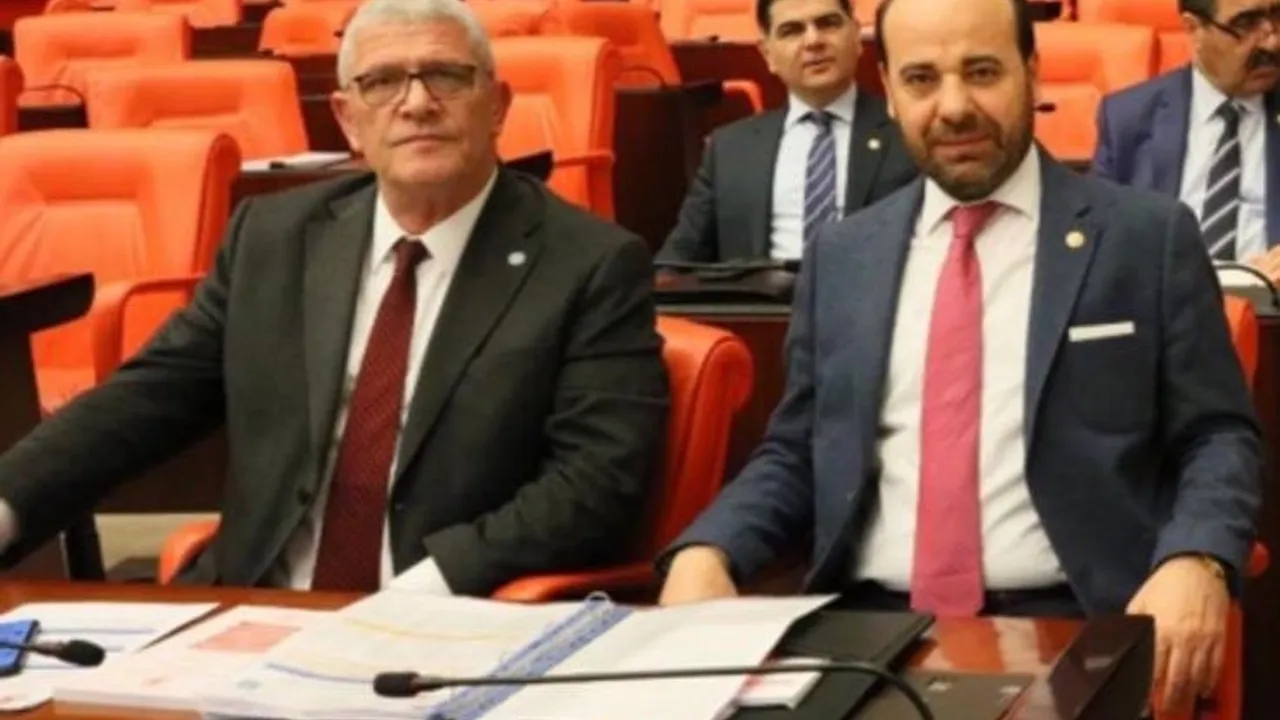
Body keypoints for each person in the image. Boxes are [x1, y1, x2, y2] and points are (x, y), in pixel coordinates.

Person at [657, 0, 1261, 714]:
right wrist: (709, 549)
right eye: (921, 79)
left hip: (1073, 620)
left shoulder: (1143, 238)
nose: (954, 107)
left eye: (982, 72)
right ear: (888, 88)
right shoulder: (845, 254)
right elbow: (798, 450)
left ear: (1032, 72)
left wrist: (1196, 557)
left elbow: (1217, 436)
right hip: (867, 628)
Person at [0, 0, 669, 597]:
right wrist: (8, 501)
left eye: (445, 75)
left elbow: (596, 481)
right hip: (255, 602)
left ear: (496, 105)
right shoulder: (275, 239)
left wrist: (429, 586)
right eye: (382, 82)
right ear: (348, 120)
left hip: (442, 615)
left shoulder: (589, 263)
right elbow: (149, 396)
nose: (416, 103)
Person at [655, 0, 917, 264]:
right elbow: (677, 262)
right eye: (792, 31)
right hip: (763, 290)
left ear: (857, 37)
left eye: (828, 23)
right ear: (767, 54)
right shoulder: (729, 149)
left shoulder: (909, 132)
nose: (813, 41)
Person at [1092, 0, 1280, 273]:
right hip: (1165, 294)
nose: (1272, 42)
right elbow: (1099, 235)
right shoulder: (1129, 117)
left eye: (1277, 16)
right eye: (1245, 24)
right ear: (1194, 29)